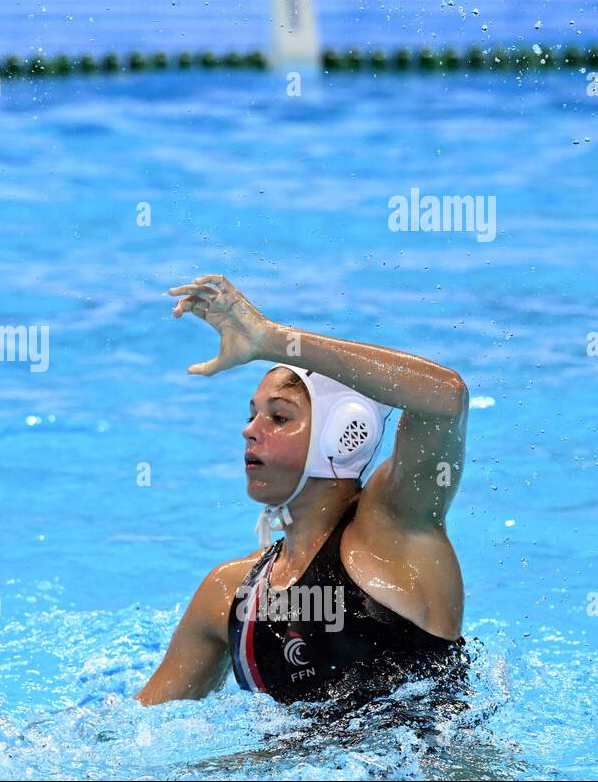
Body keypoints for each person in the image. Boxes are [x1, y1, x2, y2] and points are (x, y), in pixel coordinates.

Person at [137, 274, 468, 707]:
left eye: (279, 417)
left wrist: (272, 339)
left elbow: (445, 397)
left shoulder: (396, 533)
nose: (248, 430)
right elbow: (143, 731)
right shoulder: (228, 594)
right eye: (252, 414)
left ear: (344, 435)